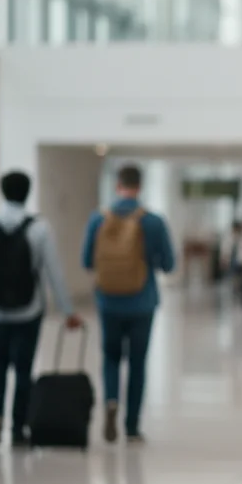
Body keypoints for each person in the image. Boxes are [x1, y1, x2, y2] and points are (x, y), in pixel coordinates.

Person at [0, 171, 83, 446]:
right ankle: (18, 428)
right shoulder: (39, 228)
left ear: (2, 192)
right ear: (28, 193)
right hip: (29, 310)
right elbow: (54, 273)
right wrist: (68, 311)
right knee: (23, 370)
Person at [82, 164, 176, 443]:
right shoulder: (153, 221)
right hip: (142, 302)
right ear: (140, 186)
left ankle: (111, 401)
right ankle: (132, 426)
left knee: (110, 358)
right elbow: (169, 264)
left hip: (108, 301)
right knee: (137, 362)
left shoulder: (98, 219)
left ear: (117, 185)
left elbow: (87, 261)